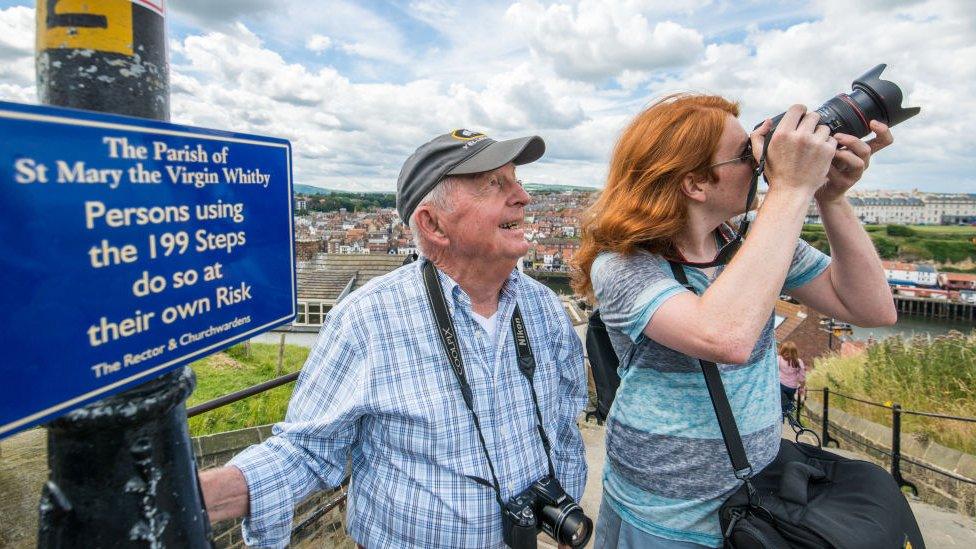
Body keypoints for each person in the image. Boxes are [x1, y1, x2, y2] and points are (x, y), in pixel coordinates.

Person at [199, 130, 588, 548]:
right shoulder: (367, 319)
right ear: (432, 223)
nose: (523, 197)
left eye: (517, 180)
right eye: (494, 183)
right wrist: (198, 497)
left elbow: (563, 422)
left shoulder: (545, 308)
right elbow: (306, 452)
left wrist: (567, 505)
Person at [572, 94, 897, 548]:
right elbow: (725, 336)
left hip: (755, 492)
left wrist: (830, 196)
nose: (762, 163)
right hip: (663, 513)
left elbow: (872, 309)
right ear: (696, 184)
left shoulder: (748, 243)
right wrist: (789, 189)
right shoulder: (624, 265)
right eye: (747, 154)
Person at [777, 341, 806, 418]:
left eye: (786, 353)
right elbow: (802, 376)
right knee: (787, 402)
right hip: (792, 387)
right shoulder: (799, 362)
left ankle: (787, 413)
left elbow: (773, 371)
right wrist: (802, 387)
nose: (785, 355)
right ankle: (790, 413)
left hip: (781, 385)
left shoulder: (778, 359)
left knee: (783, 404)